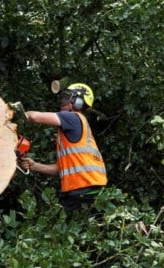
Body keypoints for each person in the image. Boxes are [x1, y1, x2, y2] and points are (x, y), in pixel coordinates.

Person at [21, 83, 108, 214]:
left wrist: (16, 113)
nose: (63, 101)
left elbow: (34, 117)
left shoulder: (73, 117)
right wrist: (35, 166)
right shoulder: (77, 126)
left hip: (82, 190)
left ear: (78, 103)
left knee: (61, 228)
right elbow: (62, 169)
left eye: (68, 98)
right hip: (90, 190)